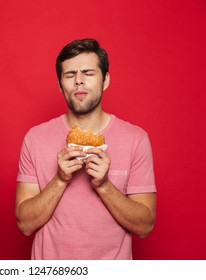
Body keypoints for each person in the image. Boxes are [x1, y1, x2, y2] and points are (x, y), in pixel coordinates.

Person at [15, 38, 156, 259]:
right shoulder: (35, 138)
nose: (79, 81)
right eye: (70, 75)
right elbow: (24, 223)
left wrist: (104, 185)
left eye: (88, 73)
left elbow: (145, 226)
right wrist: (60, 179)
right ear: (60, 84)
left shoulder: (136, 139)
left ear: (105, 80)